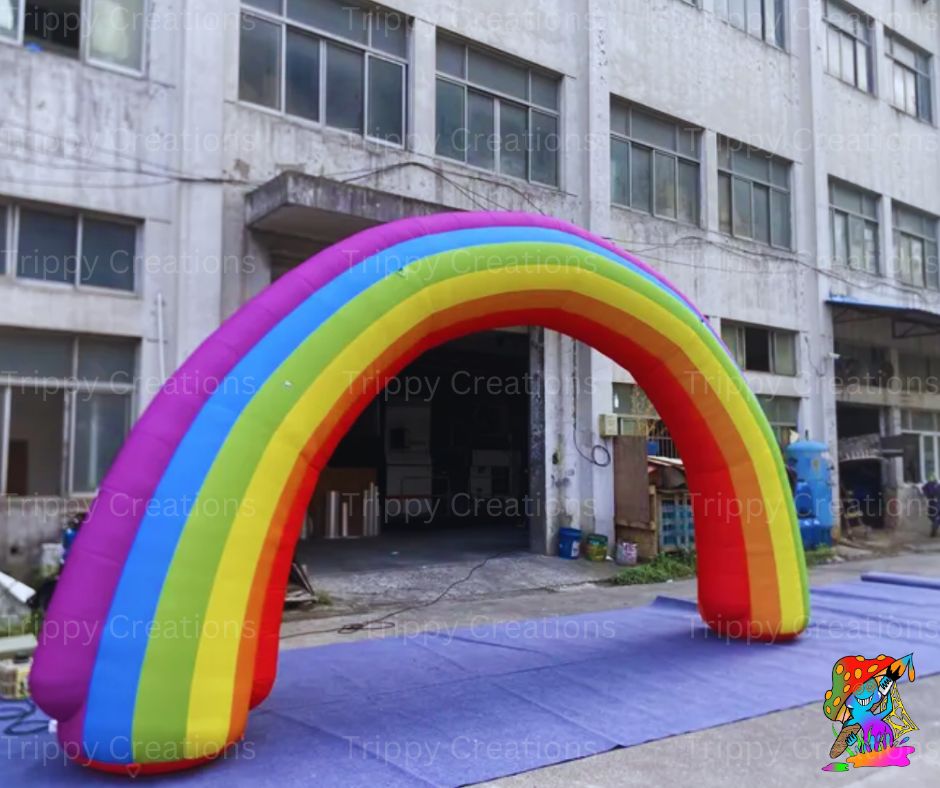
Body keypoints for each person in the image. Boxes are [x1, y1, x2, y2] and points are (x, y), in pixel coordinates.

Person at [922, 473, 940, 538]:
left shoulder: (927, 486)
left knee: (933, 516)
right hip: (936, 503)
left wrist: (927, 497)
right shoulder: (937, 485)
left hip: (932, 503)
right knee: (936, 516)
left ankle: (934, 528)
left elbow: (924, 492)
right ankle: (934, 528)